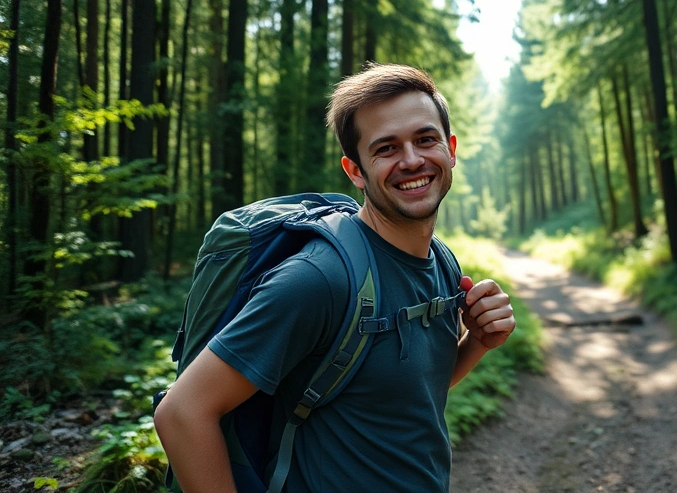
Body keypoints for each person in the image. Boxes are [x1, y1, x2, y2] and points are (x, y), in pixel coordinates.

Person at [154, 63, 516, 492]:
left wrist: (477, 342)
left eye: (425, 139)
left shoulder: (441, 262)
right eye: (386, 149)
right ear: (355, 170)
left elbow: (409, 391)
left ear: (450, 148)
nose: (412, 160)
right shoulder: (318, 279)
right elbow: (181, 413)